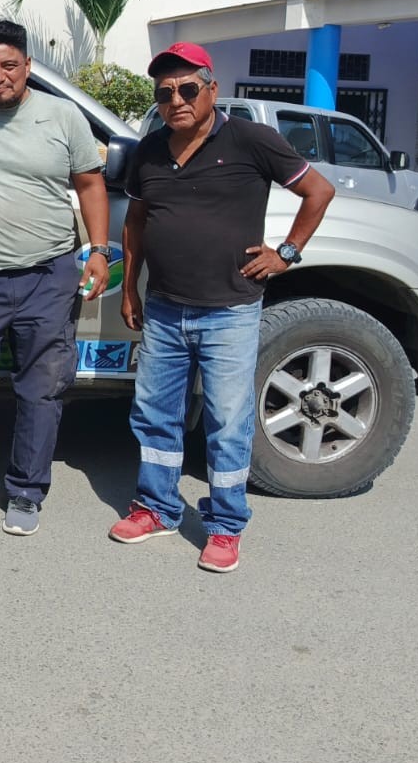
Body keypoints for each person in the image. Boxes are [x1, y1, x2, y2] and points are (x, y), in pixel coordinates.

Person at [110, 41, 335, 572]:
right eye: (164, 93)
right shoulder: (150, 149)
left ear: (212, 89)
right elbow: (136, 222)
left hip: (229, 312)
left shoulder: (251, 140)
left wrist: (286, 254)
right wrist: (130, 289)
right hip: (165, 309)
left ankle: (226, 526)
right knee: (155, 415)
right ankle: (157, 508)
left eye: (188, 89)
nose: (176, 101)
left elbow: (319, 191)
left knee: (227, 421)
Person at [0, 17, 112, 538]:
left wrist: (99, 250)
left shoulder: (63, 115)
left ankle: (26, 492)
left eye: (9, 65)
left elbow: (91, 184)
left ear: (28, 65)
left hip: (49, 276)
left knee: (43, 390)